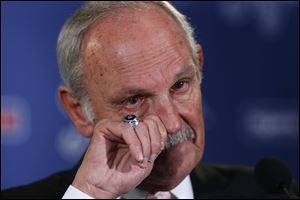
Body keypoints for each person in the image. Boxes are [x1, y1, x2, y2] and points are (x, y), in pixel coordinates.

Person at [1, 1, 298, 199]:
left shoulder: (271, 193)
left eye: (180, 85)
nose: (171, 123)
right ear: (78, 111)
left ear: (198, 66)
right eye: (134, 100)